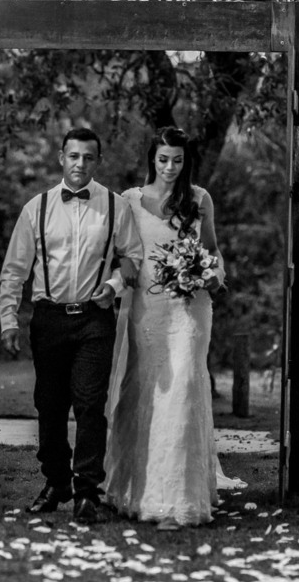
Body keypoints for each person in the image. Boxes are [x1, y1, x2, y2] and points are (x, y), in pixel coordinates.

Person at [0, 128, 144, 524]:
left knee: (90, 405)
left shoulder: (115, 206)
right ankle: (57, 481)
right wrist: (8, 319)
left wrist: (113, 287)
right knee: (49, 405)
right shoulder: (37, 208)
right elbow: (14, 270)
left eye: (88, 157)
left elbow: (133, 257)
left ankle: (87, 492)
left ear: (98, 161)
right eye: (74, 156)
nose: (80, 164)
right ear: (61, 157)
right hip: (49, 319)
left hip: (95, 318)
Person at [104, 126, 244, 530]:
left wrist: (214, 275)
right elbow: (123, 255)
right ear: (153, 159)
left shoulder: (199, 199)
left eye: (177, 160)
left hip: (189, 309)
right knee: (143, 392)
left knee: (182, 389)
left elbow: (212, 250)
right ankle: (135, 490)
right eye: (163, 159)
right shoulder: (130, 200)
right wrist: (116, 280)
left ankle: (180, 497)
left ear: (186, 162)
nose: (169, 167)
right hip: (146, 310)